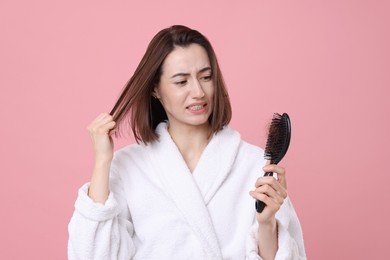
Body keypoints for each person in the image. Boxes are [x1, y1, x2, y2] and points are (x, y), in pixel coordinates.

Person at [68, 25, 306, 260]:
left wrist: (266, 224)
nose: (198, 92)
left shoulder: (255, 166)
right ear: (155, 89)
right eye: (181, 82)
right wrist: (102, 161)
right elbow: (93, 255)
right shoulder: (128, 166)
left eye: (206, 77)